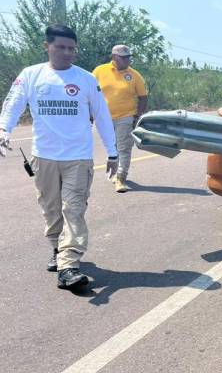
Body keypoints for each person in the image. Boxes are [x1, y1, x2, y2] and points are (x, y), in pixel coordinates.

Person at [0, 24, 118, 290]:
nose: (67, 53)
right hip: (43, 156)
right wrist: (3, 128)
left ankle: (68, 265)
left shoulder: (86, 79)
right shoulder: (31, 75)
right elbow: (13, 103)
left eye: (72, 48)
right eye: (61, 47)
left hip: (78, 157)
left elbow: (102, 116)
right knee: (50, 207)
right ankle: (57, 248)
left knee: (73, 209)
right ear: (47, 46)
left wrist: (112, 152)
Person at [92, 44, 148, 193]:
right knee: (113, 147)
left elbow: (143, 97)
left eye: (128, 57)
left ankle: (121, 178)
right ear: (114, 57)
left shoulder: (134, 75)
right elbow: (90, 92)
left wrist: (138, 115)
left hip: (126, 117)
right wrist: (89, 113)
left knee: (124, 148)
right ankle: (115, 169)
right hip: (104, 119)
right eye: (123, 58)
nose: (127, 61)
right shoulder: (99, 71)